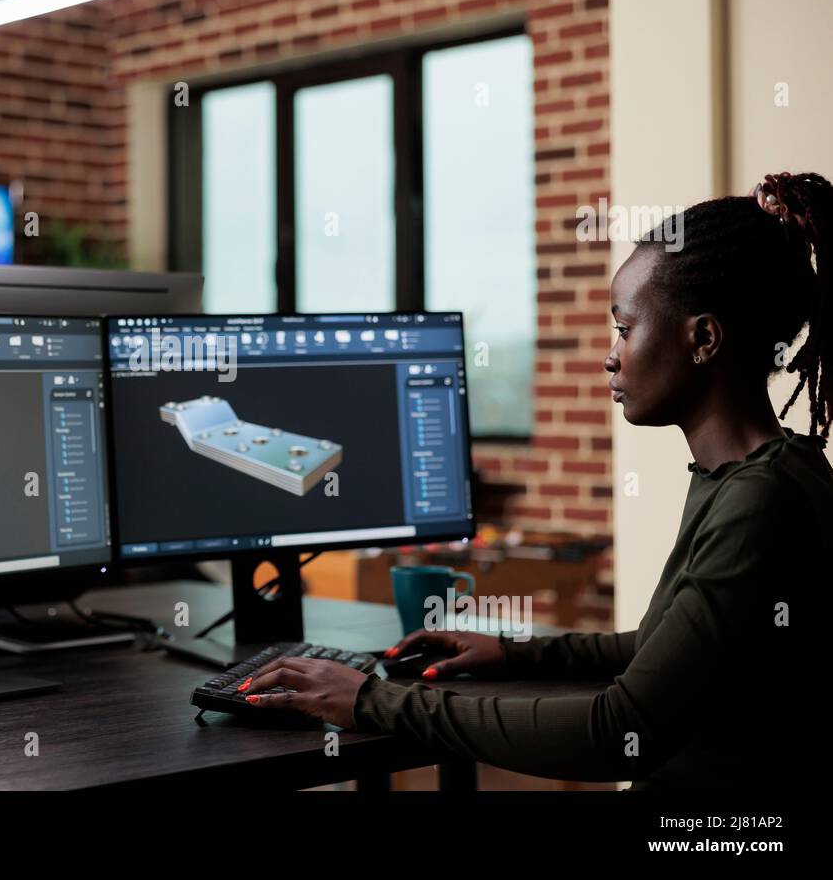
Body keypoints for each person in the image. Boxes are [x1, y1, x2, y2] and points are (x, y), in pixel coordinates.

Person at [243, 172, 833, 789]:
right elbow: (659, 648)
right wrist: (511, 652)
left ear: (703, 339)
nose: (612, 354)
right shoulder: (762, 471)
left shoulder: (760, 503)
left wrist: (373, 701)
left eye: (625, 329)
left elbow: (618, 733)